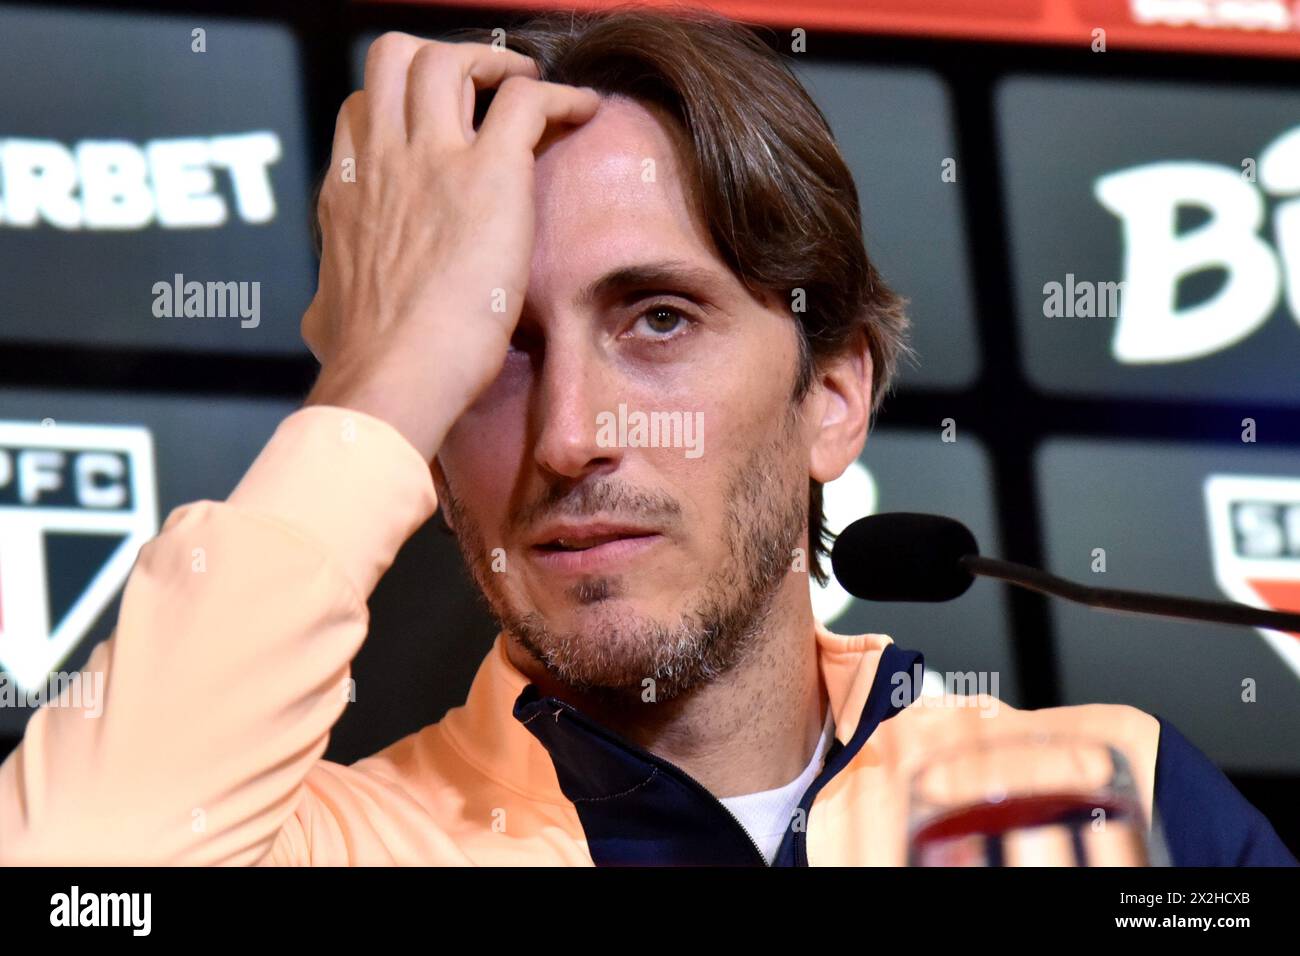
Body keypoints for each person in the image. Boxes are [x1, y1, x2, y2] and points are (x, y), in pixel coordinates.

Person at [0, 8, 1293, 866]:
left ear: (832, 398)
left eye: (659, 319)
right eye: (493, 346)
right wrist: (378, 380)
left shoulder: (1118, 801)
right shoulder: (335, 843)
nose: (572, 435)